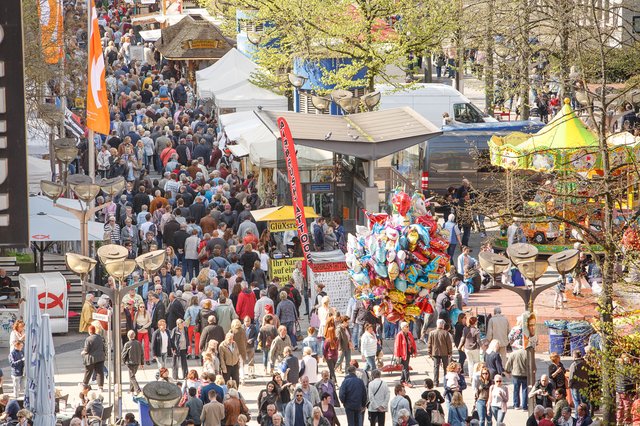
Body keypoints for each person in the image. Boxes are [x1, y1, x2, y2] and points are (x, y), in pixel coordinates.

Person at [427, 319, 452, 386]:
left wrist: (429, 352)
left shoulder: (432, 333)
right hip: (444, 352)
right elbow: (449, 344)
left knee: (436, 367)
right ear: (442, 325)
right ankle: (446, 381)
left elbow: (429, 343)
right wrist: (450, 352)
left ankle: (435, 382)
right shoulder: (445, 333)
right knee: (445, 367)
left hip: (435, 352)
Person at [82, 325, 106, 392]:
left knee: (88, 371)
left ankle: (85, 384)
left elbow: (86, 350)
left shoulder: (88, 339)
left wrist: (82, 352)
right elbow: (104, 347)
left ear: (89, 332)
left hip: (91, 358)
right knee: (100, 372)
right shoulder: (100, 337)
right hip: (100, 357)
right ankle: (100, 387)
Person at [394, 321, 417, 387]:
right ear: (402, 328)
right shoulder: (399, 335)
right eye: (406, 326)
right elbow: (397, 346)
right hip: (402, 354)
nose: (408, 327)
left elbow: (413, 343)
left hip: (408, 352)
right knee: (406, 368)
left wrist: (415, 352)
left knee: (405, 367)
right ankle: (408, 381)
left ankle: (402, 381)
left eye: (408, 326)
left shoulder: (409, 333)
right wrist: (397, 356)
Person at [122, 330, 144, 395]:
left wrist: (124, 361)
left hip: (130, 362)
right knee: (132, 375)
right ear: (134, 335)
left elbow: (124, 354)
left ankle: (138, 390)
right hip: (137, 362)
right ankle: (131, 390)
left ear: (128, 336)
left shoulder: (127, 344)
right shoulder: (139, 343)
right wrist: (142, 363)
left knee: (132, 377)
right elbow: (142, 354)